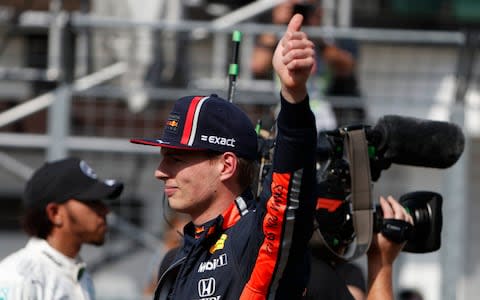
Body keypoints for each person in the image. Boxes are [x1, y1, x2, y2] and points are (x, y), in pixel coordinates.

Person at [131, 13, 318, 299]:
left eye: (176, 159)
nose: (160, 171)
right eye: (163, 157)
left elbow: (287, 195)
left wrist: (293, 97)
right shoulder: (174, 261)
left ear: (226, 165)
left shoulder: (255, 239)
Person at [0, 157, 124, 300]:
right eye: (92, 201)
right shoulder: (19, 278)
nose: (105, 210)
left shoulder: (81, 276)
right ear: (55, 213)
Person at [251, 0, 365, 130]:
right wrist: (277, 24)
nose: (301, 13)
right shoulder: (279, 35)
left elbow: (347, 66)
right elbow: (257, 65)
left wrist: (315, 34)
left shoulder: (327, 36)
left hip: (321, 113)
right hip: (284, 106)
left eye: (306, 8)